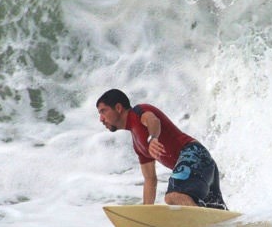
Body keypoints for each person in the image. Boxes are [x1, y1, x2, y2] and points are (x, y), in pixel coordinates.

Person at [96, 89, 227, 210]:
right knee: (216, 212)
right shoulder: (137, 144)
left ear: (118, 108)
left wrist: (153, 138)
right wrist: (145, 215)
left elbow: (153, 120)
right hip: (204, 166)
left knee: (174, 195)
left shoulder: (138, 112)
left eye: (103, 111)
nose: (101, 118)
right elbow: (150, 179)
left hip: (195, 154)